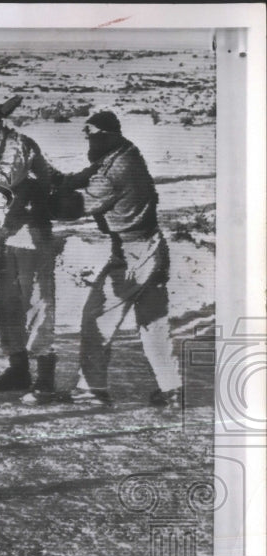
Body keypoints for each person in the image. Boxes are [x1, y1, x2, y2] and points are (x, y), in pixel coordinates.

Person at [42, 111, 181, 407]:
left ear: (105, 135)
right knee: (153, 321)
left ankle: (91, 389)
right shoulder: (124, 152)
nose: (89, 141)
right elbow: (82, 177)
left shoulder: (113, 171)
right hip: (151, 246)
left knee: (96, 317)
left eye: (92, 135)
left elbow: (76, 206)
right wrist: (51, 176)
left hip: (133, 254)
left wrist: (42, 202)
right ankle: (172, 388)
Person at [0, 100, 59, 401]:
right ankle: (18, 369)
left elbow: (3, 182)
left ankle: (44, 377)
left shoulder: (18, 145)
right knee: (5, 306)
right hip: (9, 235)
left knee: (37, 305)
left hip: (32, 234)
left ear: (0, 124)